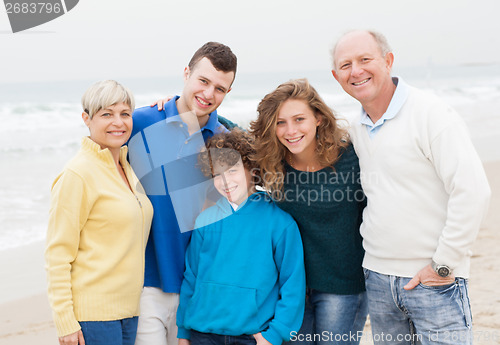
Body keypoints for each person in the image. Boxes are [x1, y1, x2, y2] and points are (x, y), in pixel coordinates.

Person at [331, 30, 491, 345]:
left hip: (435, 281)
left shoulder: (431, 114)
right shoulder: (356, 128)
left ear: (388, 61)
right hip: (377, 280)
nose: (356, 71)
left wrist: (444, 264)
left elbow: (473, 191)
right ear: (336, 76)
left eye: (365, 59)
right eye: (346, 65)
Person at [126, 42, 237, 345]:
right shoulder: (141, 122)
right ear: (186, 73)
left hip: (197, 287)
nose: (209, 94)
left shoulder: (225, 142)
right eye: (203, 81)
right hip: (145, 282)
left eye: (220, 89)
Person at [250, 79, 367, 345]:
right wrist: (180, 104)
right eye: (280, 122)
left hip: (343, 287)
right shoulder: (271, 161)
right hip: (291, 290)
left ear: (318, 118)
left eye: (299, 119)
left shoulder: (351, 157)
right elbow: (228, 134)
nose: (290, 130)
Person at [45, 80, 154, 345]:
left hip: (129, 312)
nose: (118, 122)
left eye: (125, 114)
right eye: (107, 114)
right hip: (93, 317)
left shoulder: (125, 167)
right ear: (87, 119)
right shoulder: (78, 174)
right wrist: (66, 323)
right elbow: (57, 255)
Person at [176, 129, 306, 345]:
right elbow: (191, 278)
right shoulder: (205, 221)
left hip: (252, 337)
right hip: (202, 333)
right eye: (217, 174)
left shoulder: (280, 224)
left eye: (233, 170)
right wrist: (183, 332)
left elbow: (293, 284)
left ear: (253, 171)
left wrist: (274, 335)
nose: (225, 181)